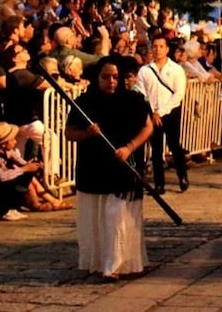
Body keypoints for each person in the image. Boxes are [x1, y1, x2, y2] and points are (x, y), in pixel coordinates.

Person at [65, 56, 153, 281]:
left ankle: (119, 263)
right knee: (96, 218)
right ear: (97, 77)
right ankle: (100, 262)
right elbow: (70, 133)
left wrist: (129, 148)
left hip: (124, 166)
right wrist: (87, 134)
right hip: (94, 166)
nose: (111, 81)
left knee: (118, 217)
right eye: (105, 77)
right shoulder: (85, 102)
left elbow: (147, 127)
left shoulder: (133, 100)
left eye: (115, 77)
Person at [137, 33, 189, 194]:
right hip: (152, 113)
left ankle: (182, 175)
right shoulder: (145, 70)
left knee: (174, 145)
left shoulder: (176, 69)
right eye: (155, 47)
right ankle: (159, 183)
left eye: (161, 47)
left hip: (171, 111)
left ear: (167, 49)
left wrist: (162, 111)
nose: (157, 50)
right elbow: (141, 93)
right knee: (156, 149)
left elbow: (179, 93)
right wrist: (152, 112)